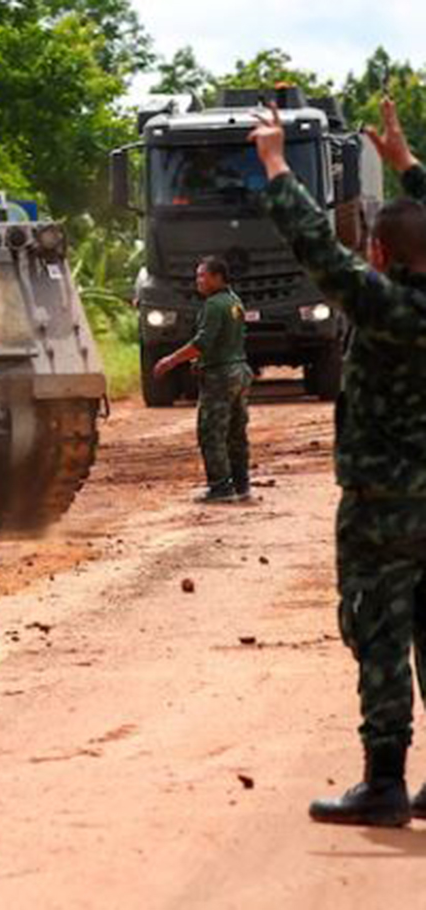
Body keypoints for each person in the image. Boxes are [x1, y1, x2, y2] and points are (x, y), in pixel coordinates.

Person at [252, 96, 426, 827]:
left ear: (379, 254)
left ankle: (383, 782)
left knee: (380, 631)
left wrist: (274, 163)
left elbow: (317, 250)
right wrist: (411, 172)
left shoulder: (386, 309)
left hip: (387, 506)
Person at [152, 257, 253, 503]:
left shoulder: (214, 305)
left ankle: (220, 488)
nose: (198, 281)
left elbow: (202, 343)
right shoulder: (234, 301)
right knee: (236, 432)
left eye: (202, 276)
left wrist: (171, 360)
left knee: (211, 432)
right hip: (239, 371)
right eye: (198, 276)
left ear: (218, 278)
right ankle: (241, 485)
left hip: (220, 375)